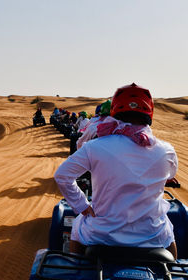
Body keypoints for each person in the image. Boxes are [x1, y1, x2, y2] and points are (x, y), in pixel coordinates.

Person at [54, 83, 178, 259]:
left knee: (77, 228)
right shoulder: (166, 150)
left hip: (102, 234)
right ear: (149, 112)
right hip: (152, 235)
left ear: (115, 110)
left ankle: (78, 268)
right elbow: (171, 175)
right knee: (169, 233)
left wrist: (82, 205)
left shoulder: (94, 146)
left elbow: (62, 175)